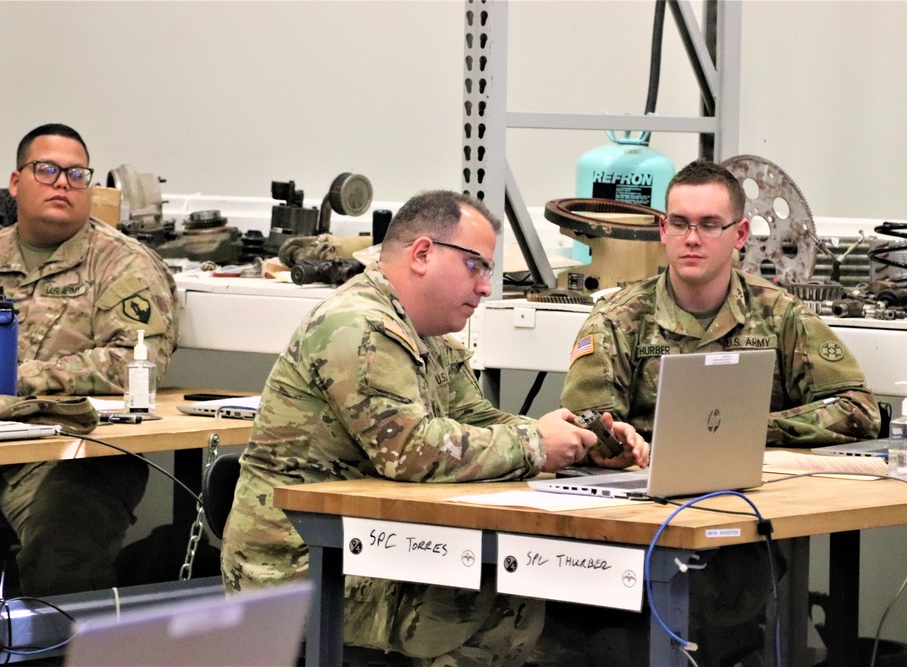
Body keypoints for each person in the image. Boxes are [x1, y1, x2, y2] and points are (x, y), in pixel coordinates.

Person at [221, 190, 647, 666]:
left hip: (366, 547)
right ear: (423, 254)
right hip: (296, 570)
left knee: (525, 596)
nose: (486, 287)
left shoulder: (424, 335)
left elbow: (478, 421)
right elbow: (412, 451)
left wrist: (576, 443)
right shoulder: (358, 326)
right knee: (495, 605)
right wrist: (535, 444)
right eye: (476, 266)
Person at [556, 159, 881, 664]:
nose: (692, 237)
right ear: (662, 231)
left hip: (738, 525)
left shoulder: (778, 314)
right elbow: (585, 422)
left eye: (709, 225)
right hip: (641, 525)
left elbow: (858, 408)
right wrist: (616, 441)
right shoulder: (618, 318)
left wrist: (750, 433)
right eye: (680, 223)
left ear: (740, 234)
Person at [0, 123, 178, 596]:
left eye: (76, 173)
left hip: (69, 451)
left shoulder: (122, 264)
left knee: (63, 543)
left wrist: (15, 381)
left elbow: (133, 363)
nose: (62, 182)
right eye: (46, 170)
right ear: (15, 182)